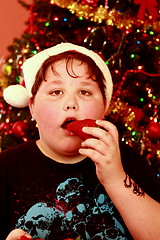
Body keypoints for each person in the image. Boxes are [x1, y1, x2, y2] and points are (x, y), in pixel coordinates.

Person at [1, 42, 160, 240]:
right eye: (55, 92)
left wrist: (115, 178)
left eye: (85, 92)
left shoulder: (128, 161)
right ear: (32, 107)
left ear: (104, 108)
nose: (71, 104)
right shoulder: (7, 166)